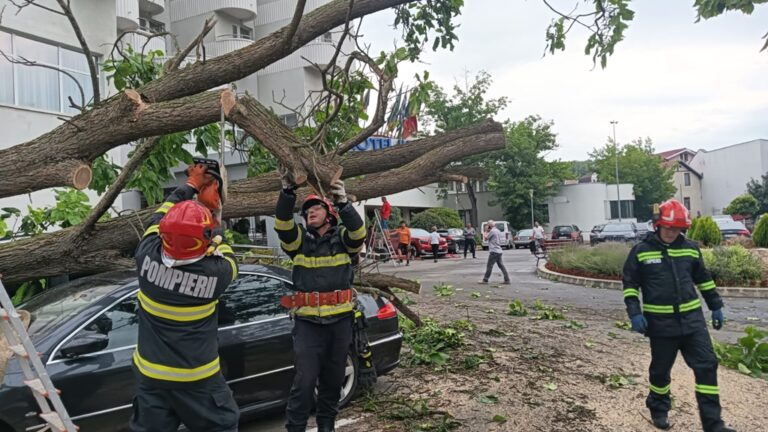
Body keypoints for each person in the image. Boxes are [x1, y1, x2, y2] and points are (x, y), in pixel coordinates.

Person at [130, 164, 240, 432]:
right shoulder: (216, 274)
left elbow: (158, 218)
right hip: (197, 380)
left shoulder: (145, 257)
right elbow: (228, 254)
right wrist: (214, 223)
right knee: (223, 425)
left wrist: (190, 183)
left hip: (150, 377)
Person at [622, 199, 735, 432]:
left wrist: (716, 306)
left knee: (707, 366)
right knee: (661, 371)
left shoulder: (690, 248)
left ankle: (714, 424)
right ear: (658, 225)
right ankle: (659, 408)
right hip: (660, 326)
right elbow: (630, 284)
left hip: (693, 323)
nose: (672, 233)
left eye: (677, 229)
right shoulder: (642, 251)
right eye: (668, 228)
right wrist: (634, 313)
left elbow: (703, 279)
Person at [275, 172, 366, 432]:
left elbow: (358, 232)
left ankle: (327, 427)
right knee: (304, 383)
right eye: (306, 212)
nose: (309, 213)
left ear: (329, 214)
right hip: (308, 325)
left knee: (333, 381)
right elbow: (282, 224)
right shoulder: (299, 242)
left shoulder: (344, 242)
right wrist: (287, 193)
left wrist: (344, 204)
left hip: (340, 324)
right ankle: (296, 428)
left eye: (315, 208)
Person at [480, 220, 510, 285]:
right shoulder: (498, 231)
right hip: (499, 250)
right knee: (501, 266)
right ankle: (507, 279)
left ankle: (485, 279)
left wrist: (485, 231)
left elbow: (485, 238)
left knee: (489, 266)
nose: (487, 226)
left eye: (488, 225)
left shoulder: (492, 231)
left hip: (494, 251)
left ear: (489, 226)